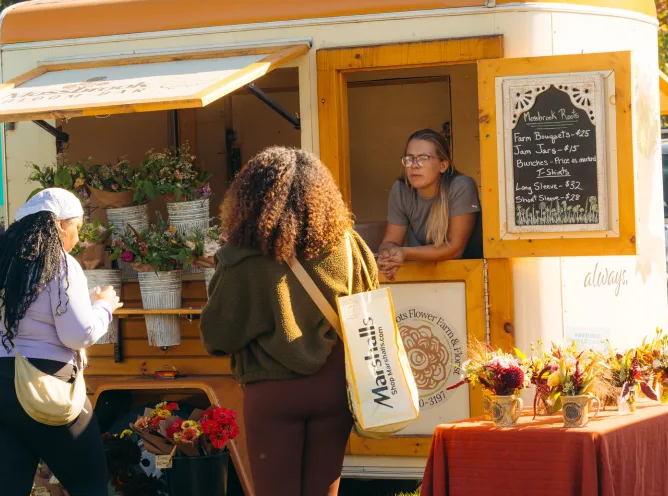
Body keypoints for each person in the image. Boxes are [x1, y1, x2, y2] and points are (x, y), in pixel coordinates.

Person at [199, 147, 378, 496]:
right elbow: (368, 308)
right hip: (334, 388)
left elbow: (217, 337)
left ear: (249, 197)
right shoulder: (349, 245)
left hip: (271, 391)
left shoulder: (241, 260)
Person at [0, 188, 123, 496]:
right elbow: (77, 334)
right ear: (60, 225)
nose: (77, 237)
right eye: (77, 227)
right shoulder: (59, 262)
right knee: (89, 487)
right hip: (43, 384)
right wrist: (103, 307)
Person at [378, 129, 482, 279]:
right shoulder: (401, 189)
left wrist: (404, 253)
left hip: (469, 275)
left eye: (423, 158)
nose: (414, 165)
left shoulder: (461, 186)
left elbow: (455, 249)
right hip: (422, 276)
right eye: (409, 159)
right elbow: (391, 241)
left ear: (443, 166)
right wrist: (388, 255)